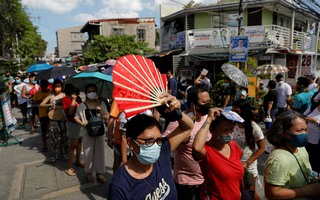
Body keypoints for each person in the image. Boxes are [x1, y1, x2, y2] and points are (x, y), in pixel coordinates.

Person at [108, 93, 194, 199]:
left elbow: (187, 127)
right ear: (130, 143)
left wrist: (176, 113)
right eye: (148, 141)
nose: (155, 146)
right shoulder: (120, 185)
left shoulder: (162, 152)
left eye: (158, 140)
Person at [163, 87, 211, 200]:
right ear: (194, 105)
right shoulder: (179, 122)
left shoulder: (209, 119)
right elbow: (162, 146)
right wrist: (179, 139)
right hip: (185, 183)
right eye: (204, 102)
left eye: (209, 101)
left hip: (207, 180)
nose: (208, 105)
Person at [264, 111, 320, 199]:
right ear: (283, 133)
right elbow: (272, 193)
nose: (304, 134)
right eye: (299, 130)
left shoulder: (301, 148)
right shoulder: (279, 160)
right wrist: (307, 190)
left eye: (306, 130)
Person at [192, 108, 244, 199]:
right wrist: (209, 119)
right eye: (225, 130)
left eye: (231, 129)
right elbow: (196, 148)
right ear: (212, 130)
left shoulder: (233, 146)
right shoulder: (207, 150)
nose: (229, 133)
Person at [74, 83, 109, 183]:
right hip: (87, 132)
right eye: (89, 91)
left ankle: (99, 173)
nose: (91, 93)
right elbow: (76, 117)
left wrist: (100, 110)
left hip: (100, 132)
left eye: (93, 91)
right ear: (85, 93)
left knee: (100, 153)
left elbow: (107, 117)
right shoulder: (81, 106)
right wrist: (82, 123)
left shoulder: (101, 104)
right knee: (88, 153)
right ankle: (89, 172)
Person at [232, 99, 265, 199]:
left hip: (248, 166)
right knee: (238, 191)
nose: (234, 113)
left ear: (243, 111)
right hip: (234, 163)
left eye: (236, 111)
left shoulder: (253, 127)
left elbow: (262, 148)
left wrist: (247, 163)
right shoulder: (232, 124)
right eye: (232, 111)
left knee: (250, 193)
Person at [40, 80, 67, 163]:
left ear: (62, 87)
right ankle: (55, 153)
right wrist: (50, 105)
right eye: (55, 86)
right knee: (53, 136)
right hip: (52, 117)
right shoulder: (50, 95)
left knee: (64, 135)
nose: (57, 88)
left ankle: (64, 153)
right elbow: (41, 104)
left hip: (62, 117)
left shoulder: (64, 95)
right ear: (53, 87)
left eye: (59, 86)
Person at [63, 85, 84, 176]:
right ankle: (69, 166)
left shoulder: (78, 98)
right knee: (73, 144)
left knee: (79, 142)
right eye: (72, 93)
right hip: (72, 124)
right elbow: (70, 111)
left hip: (80, 123)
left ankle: (78, 160)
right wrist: (73, 100)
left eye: (75, 93)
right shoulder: (66, 99)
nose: (74, 95)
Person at [107, 101, 125, 173]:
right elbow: (112, 119)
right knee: (118, 165)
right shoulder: (119, 99)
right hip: (119, 140)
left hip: (136, 141)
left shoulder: (142, 99)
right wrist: (110, 137)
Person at [33, 80, 51, 152]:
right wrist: (41, 101)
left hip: (51, 113)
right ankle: (45, 145)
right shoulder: (38, 92)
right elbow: (34, 101)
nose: (43, 87)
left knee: (51, 129)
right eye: (42, 86)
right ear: (40, 86)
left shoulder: (51, 92)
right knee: (43, 131)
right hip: (42, 114)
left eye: (45, 86)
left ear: (47, 85)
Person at [304, 99, 320, 173]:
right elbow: (303, 116)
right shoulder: (313, 107)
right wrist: (306, 120)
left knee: (315, 162)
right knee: (307, 158)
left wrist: (316, 121)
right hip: (307, 138)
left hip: (317, 142)